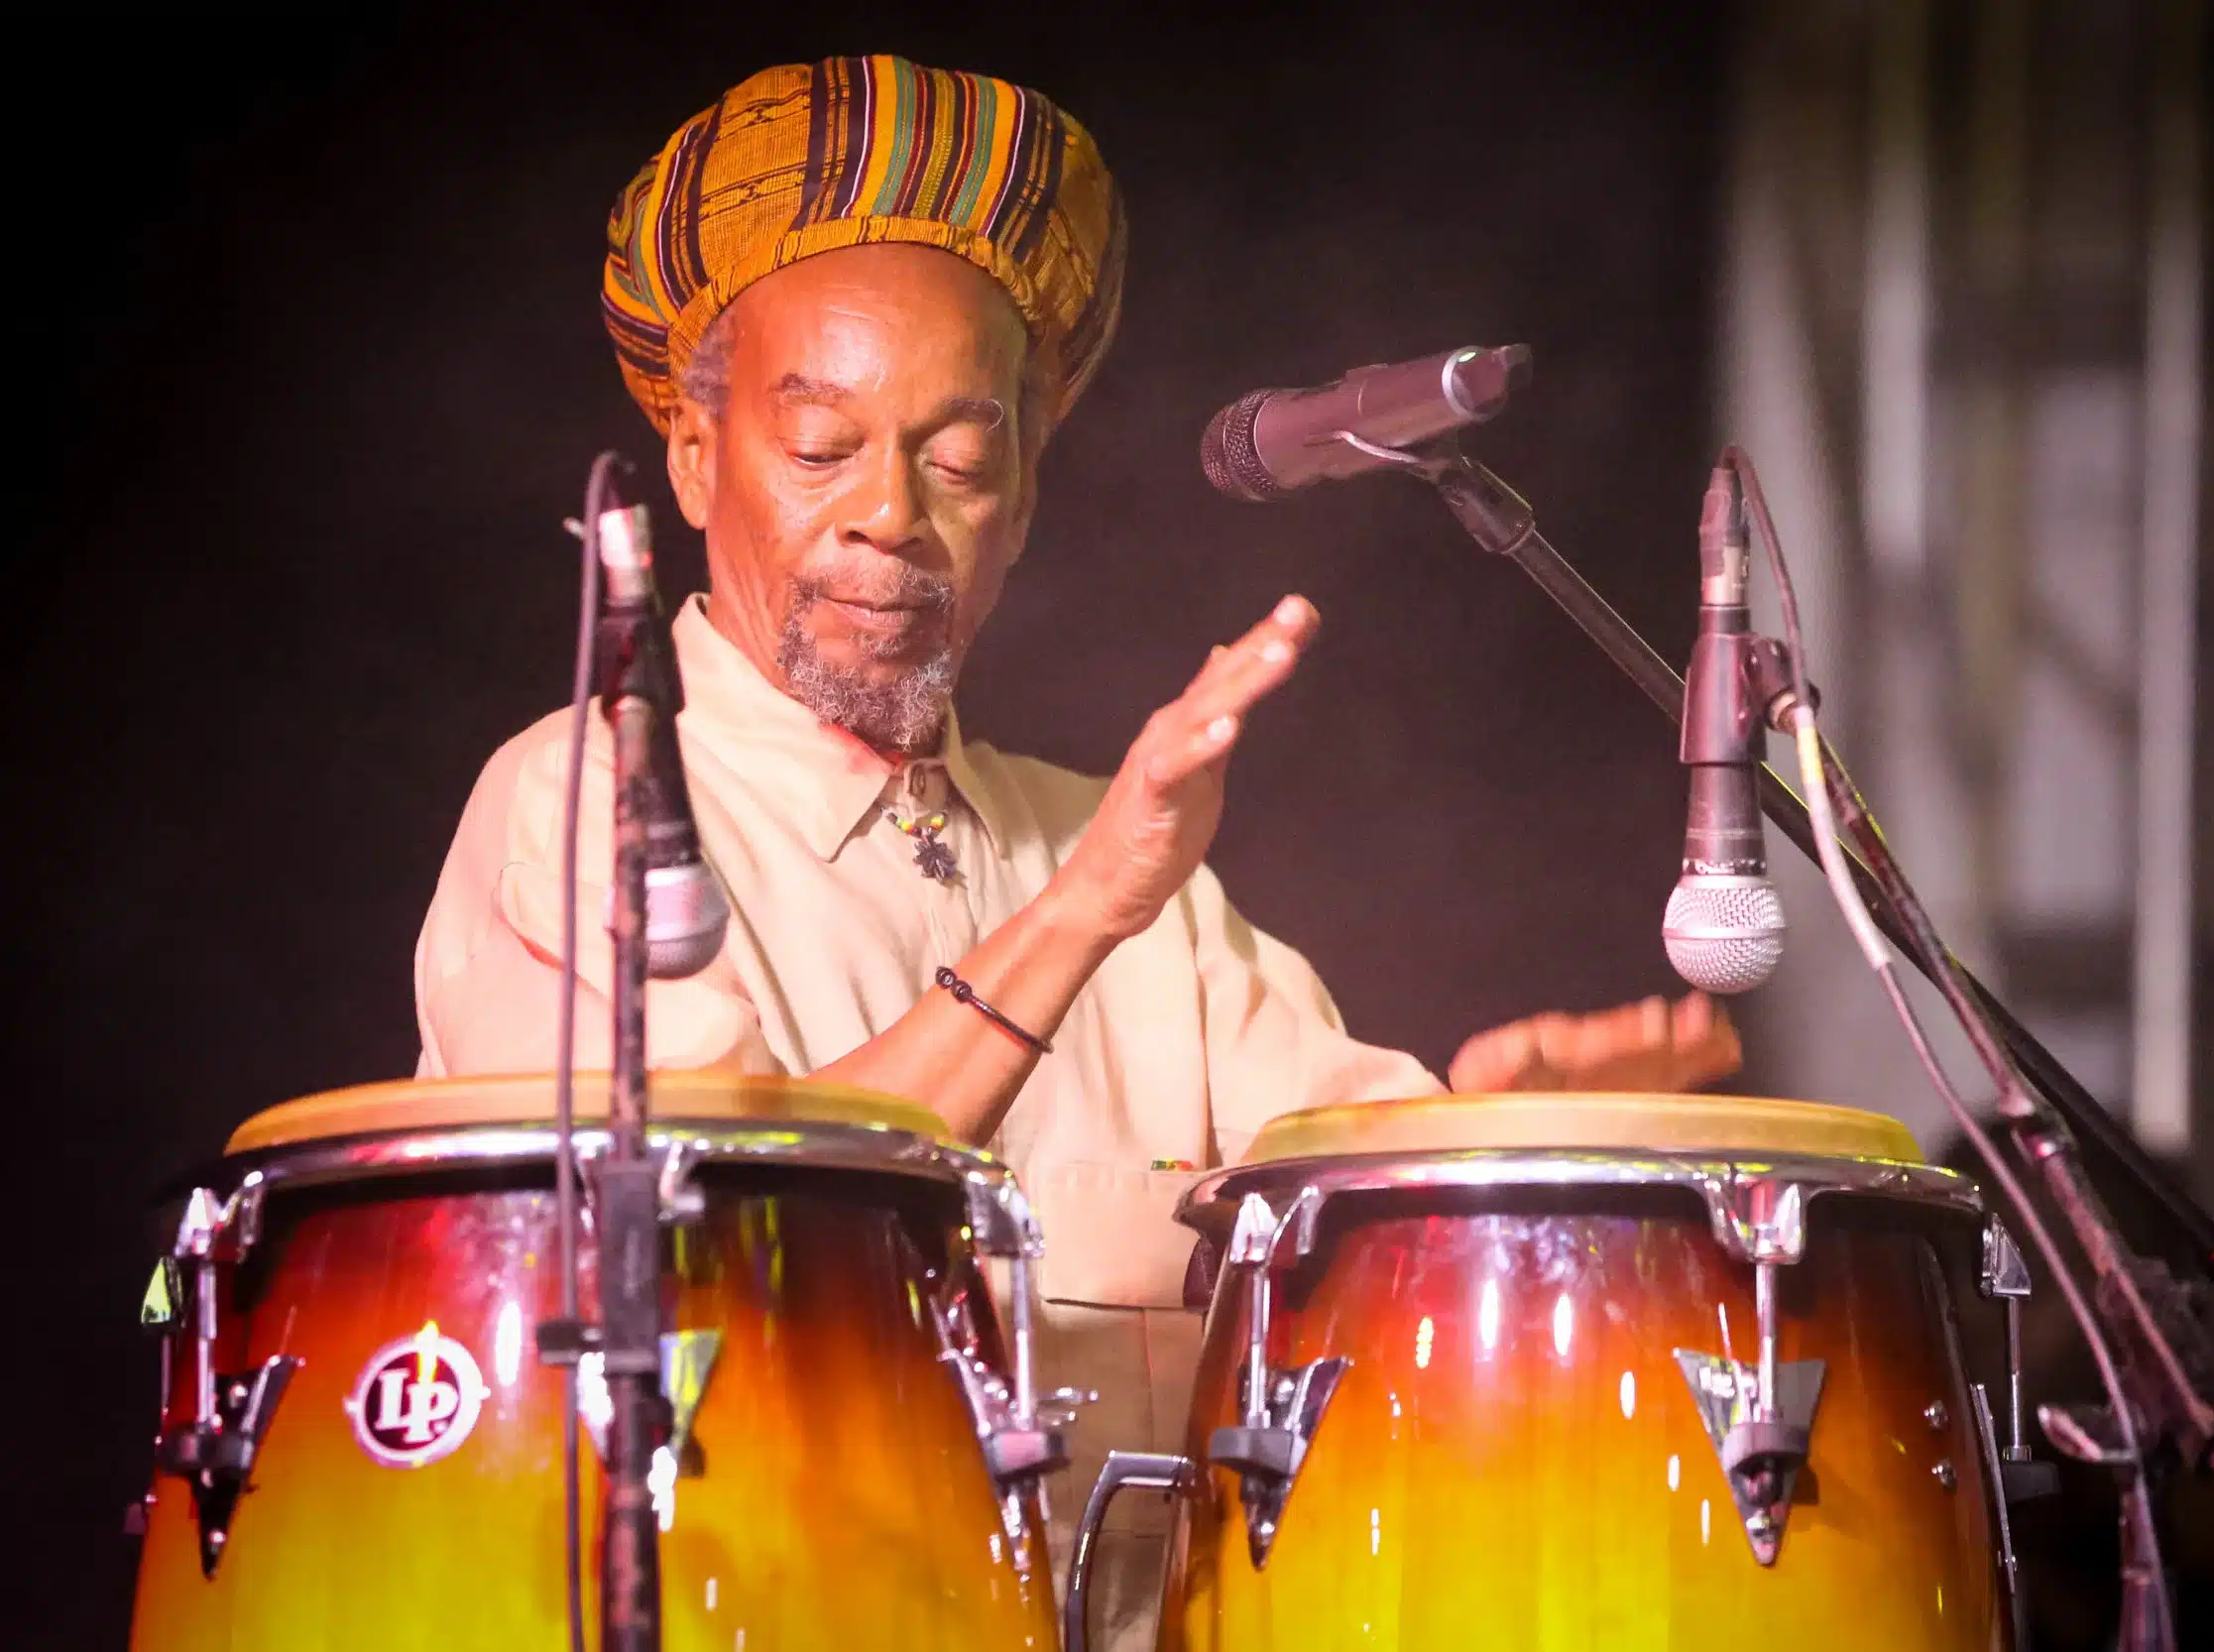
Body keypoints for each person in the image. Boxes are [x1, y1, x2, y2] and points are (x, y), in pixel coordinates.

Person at [414, 54, 1742, 1645]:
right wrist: (1077, 913)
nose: (891, 514)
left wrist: (1473, 1160)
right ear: (699, 462)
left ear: (1026, 495)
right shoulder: (579, 803)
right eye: (822, 445)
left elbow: (1336, 1231)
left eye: (960, 460)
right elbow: (743, 1263)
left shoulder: (1131, 873)